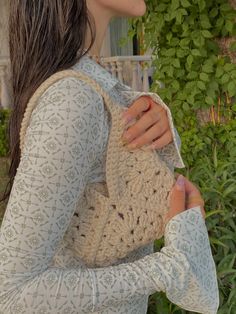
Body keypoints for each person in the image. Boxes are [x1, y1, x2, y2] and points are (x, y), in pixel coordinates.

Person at [0, 1, 219, 313]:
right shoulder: (71, 99)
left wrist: (154, 131)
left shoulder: (93, 87)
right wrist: (169, 268)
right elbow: (11, 292)